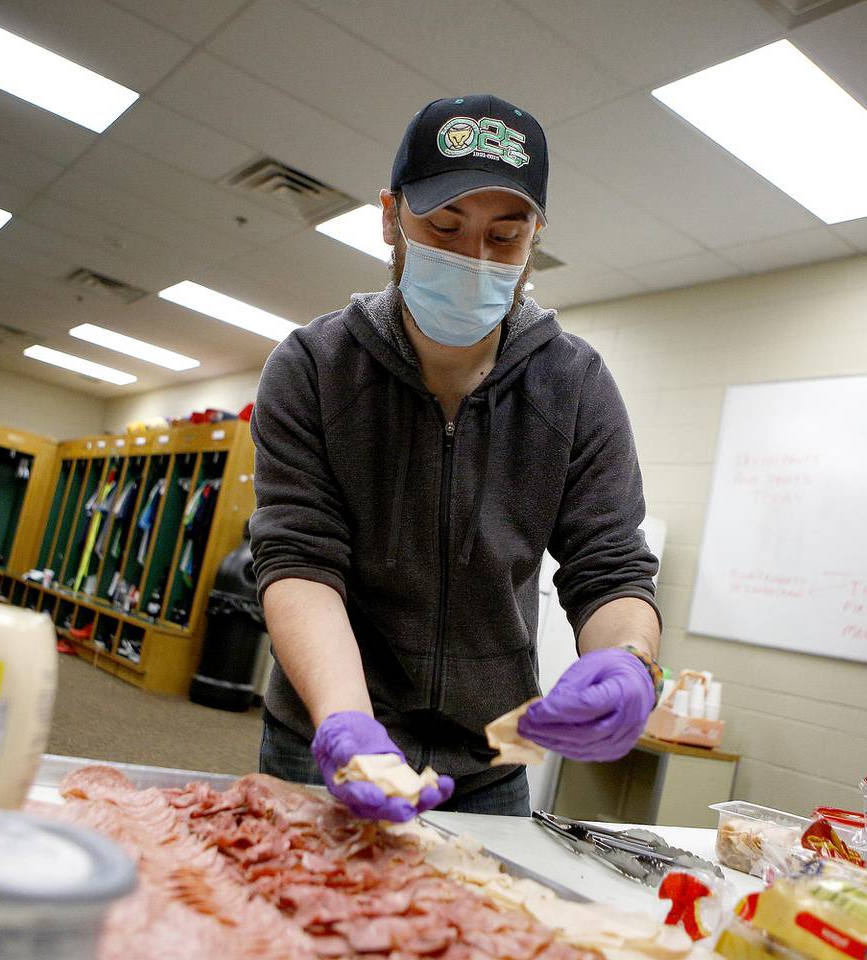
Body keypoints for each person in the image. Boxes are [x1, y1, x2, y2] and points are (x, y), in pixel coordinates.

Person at [250, 94, 662, 820]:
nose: (473, 259)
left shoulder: (574, 386)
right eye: (444, 227)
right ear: (390, 216)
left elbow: (611, 566)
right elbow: (298, 560)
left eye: (504, 237)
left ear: (536, 236)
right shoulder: (315, 368)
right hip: (325, 733)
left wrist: (626, 659)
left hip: (490, 762)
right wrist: (348, 724)